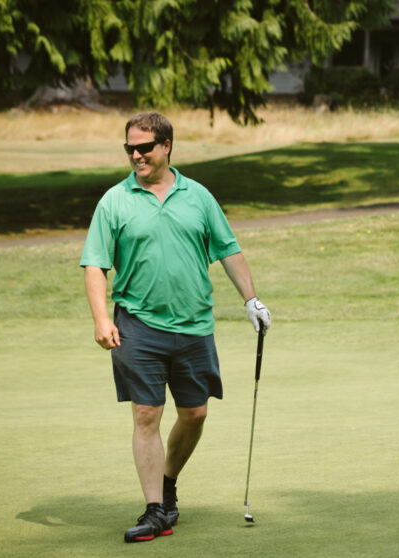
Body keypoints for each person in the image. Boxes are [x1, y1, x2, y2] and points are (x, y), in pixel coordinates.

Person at [80, 111, 271, 543]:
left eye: (144, 147)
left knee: (195, 413)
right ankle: (154, 510)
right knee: (147, 414)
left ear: (166, 146)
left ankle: (167, 485)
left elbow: (229, 251)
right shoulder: (115, 200)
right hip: (137, 324)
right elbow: (95, 264)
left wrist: (251, 299)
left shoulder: (198, 197)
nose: (136, 154)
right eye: (129, 147)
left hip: (194, 325)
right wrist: (101, 317)